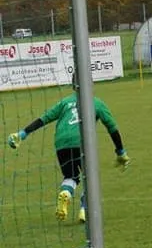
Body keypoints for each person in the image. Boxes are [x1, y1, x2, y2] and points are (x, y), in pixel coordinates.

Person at [7, 92, 130, 223]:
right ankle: (84, 209)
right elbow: (112, 127)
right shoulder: (96, 103)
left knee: (71, 176)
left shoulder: (65, 102)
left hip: (62, 143)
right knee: (90, 177)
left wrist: (22, 134)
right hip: (83, 142)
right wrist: (120, 152)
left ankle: (66, 192)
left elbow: (44, 118)